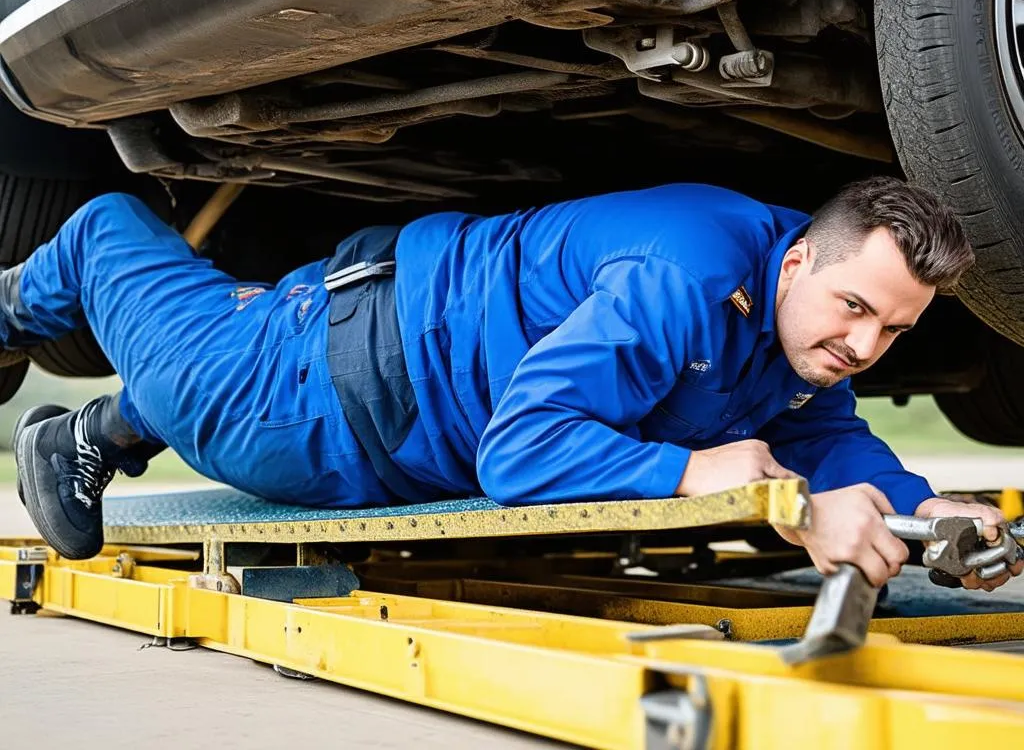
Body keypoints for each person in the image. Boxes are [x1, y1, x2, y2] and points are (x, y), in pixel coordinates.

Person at [5, 177, 1021, 590]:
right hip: (313, 393)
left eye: (892, 327)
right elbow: (518, 452)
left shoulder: (800, 331)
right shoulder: (684, 277)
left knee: (193, 367)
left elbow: (827, 435)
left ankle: (97, 430)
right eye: (853, 307)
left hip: (381, 410)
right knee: (123, 261)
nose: (864, 342)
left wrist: (923, 505)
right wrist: (692, 473)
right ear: (797, 261)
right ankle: (28, 318)